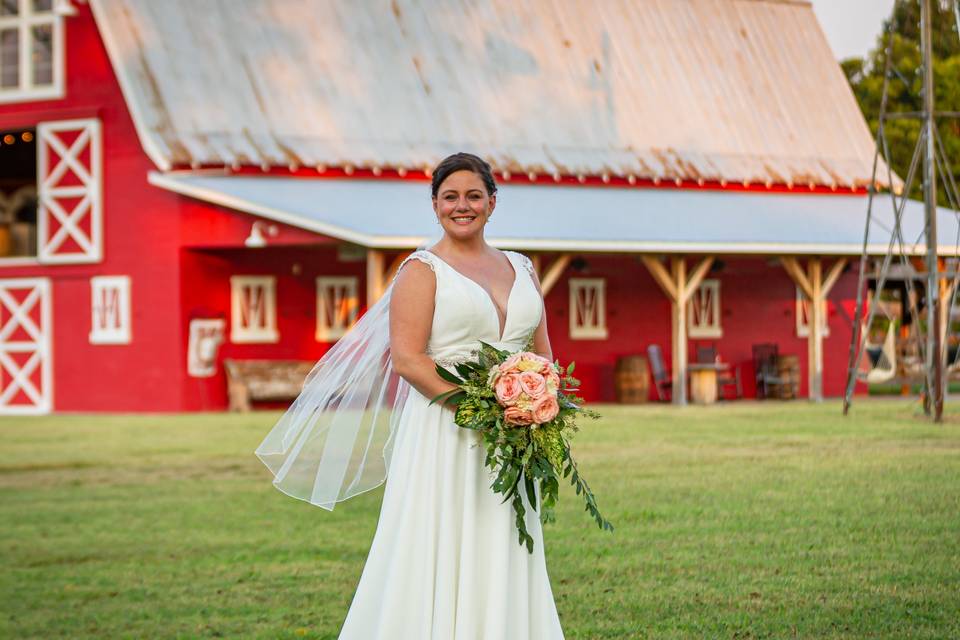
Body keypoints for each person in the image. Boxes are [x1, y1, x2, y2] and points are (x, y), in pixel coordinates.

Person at [335, 152, 566, 638]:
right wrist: (479, 413)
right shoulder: (421, 271)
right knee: (441, 535)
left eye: (474, 196)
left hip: (514, 432)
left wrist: (537, 400)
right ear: (435, 205)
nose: (463, 206)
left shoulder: (522, 267)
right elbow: (409, 359)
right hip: (446, 429)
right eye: (450, 197)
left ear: (493, 202)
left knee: (503, 534)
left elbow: (542, 354)